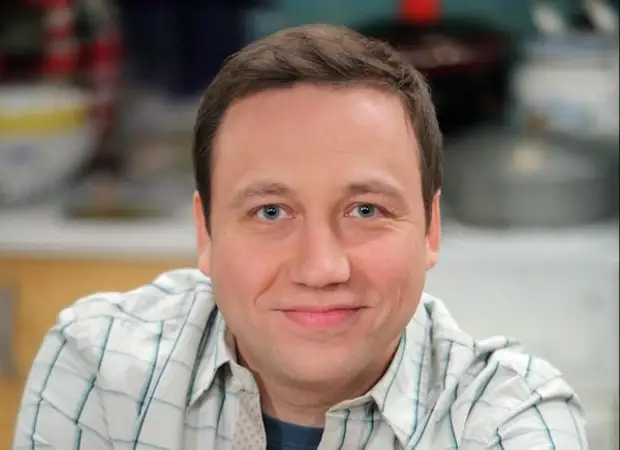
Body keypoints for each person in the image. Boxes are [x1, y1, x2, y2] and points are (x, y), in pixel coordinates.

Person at [13, 24, 588, 450]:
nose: (321, 268)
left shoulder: (508, 422)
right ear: (205, 233)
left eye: (365, 209)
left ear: (430, 229)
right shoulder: (97, 362)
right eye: (270, 212)